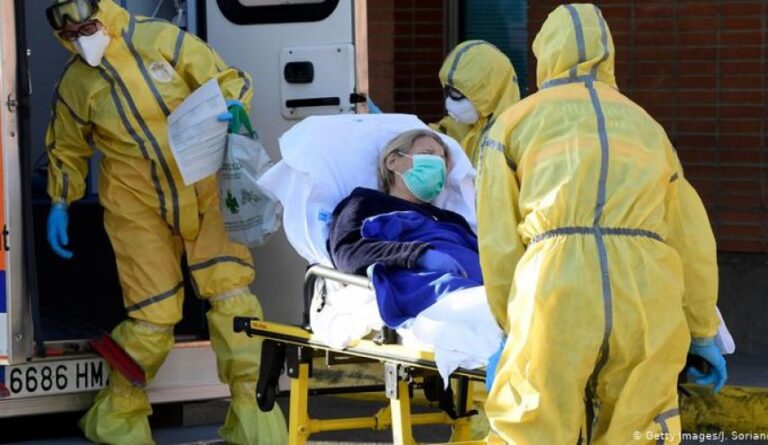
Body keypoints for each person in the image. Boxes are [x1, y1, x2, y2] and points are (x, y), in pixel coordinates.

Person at [477, 4, 726, 444]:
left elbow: (498, 243)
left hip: (555, 292)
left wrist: (509, 326)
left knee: (533, 427)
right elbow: (691, 238)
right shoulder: (648, 127)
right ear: (608, 52)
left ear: (544, 54)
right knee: (642, 428)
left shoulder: (513, 124)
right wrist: (702, 330)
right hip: (647, 294)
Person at [43, 1, 286, 443]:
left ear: (105, 12)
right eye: (72, 33)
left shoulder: (159, 39)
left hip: (204, 187)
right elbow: (67, 147)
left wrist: (233, 105)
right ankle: (119, 415)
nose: (81, 38)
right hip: (135, 205)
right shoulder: (76, 83)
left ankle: (254, 417)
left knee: (233, 299)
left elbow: (224, 77)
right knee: (152, 317)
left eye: (87, 26)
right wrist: (61, 201)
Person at [431, 40, 521, 168]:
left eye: (457, 93)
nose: (449, 102)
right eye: (448, 91)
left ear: (487, 93)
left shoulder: (517, 137)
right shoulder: (457, 128)